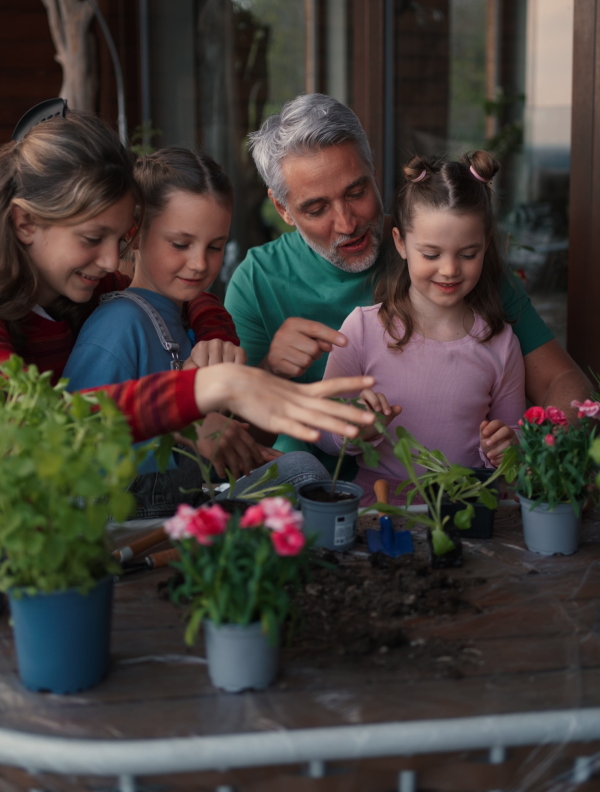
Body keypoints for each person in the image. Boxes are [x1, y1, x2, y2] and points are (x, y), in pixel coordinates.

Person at [0, 105, 378, 466]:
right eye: (91, 238)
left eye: (118, 240)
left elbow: (168, 301)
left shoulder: (95, 284)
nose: (112, 261)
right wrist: (193, 404)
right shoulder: (112, 316)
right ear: (25, 223)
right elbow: (40, 426)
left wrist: (214, 333)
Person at [224, 94, 590, 465]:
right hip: (317, 494)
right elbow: (236, 441)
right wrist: (272, 372)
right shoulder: (256, 283)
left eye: (357, 192)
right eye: (317, 208)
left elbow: (564, 384)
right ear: (282, 209)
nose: (347, 223)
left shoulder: (452, 256)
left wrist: (537, 459)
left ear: (374, 171)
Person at [64, 146, 283, 514]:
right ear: (134, 233)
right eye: (180, 244)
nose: (199, 264)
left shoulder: (194, 324)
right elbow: (75, 446)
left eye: (215, 247)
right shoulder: (118, 326)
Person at [317, 151, 526, 504]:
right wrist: (354, 431)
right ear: (400, 243)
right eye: (431, 255)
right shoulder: (363, 330)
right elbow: (321, 428)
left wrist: (508, 446)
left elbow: (515, 435)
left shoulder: (500, 343)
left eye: (468, 254)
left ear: (486, 246)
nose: (449, 270)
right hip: (379, 509)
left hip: (467, 508)